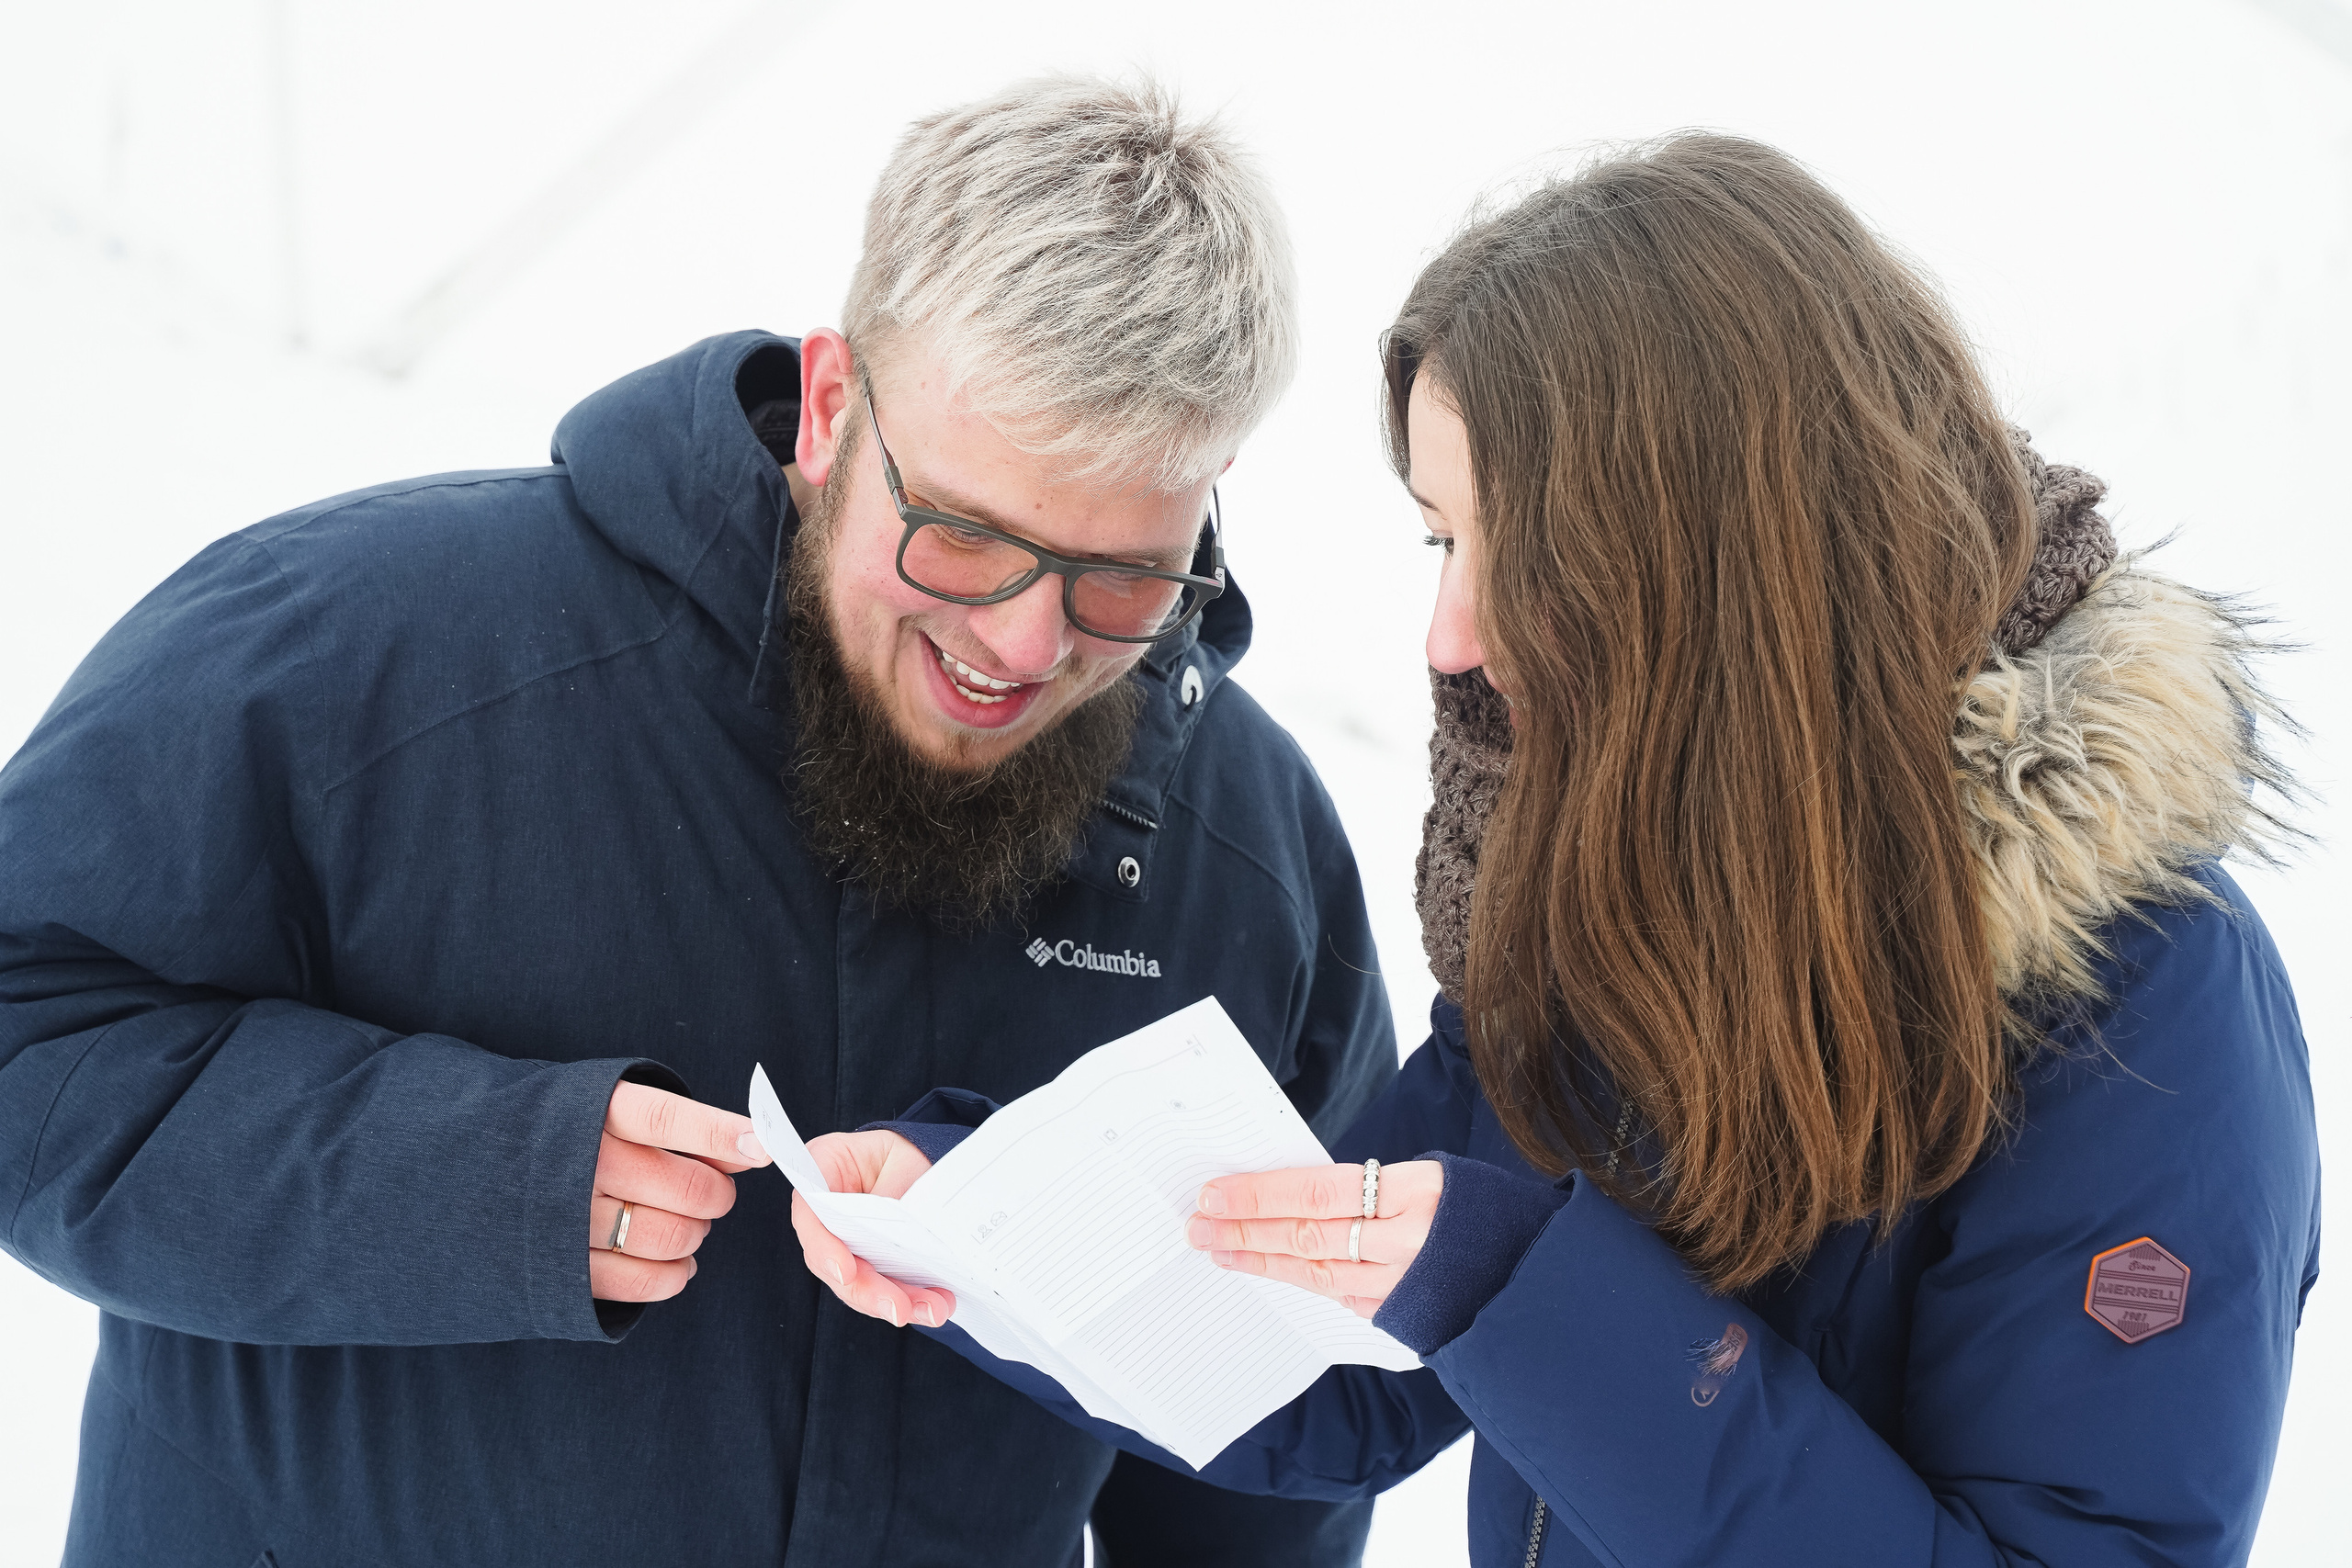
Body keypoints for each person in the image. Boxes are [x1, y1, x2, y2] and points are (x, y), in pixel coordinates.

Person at [789, 133, 2322, 1566]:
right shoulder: (1606, 887)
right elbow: (1340, 1352)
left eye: (1503, 547)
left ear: (1694, 555)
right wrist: (991, 1217)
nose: (1450, 638)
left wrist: (1533, 1289)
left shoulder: (2138, 1010)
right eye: (1438, 541)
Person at [0, 75, 1396, 1567]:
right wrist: (492, 1180)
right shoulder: (368, 651)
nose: (1029, 644)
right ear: (835, 404)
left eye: (1124, 576)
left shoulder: (1248, 850)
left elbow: (1274, 1430)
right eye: (970, 537)